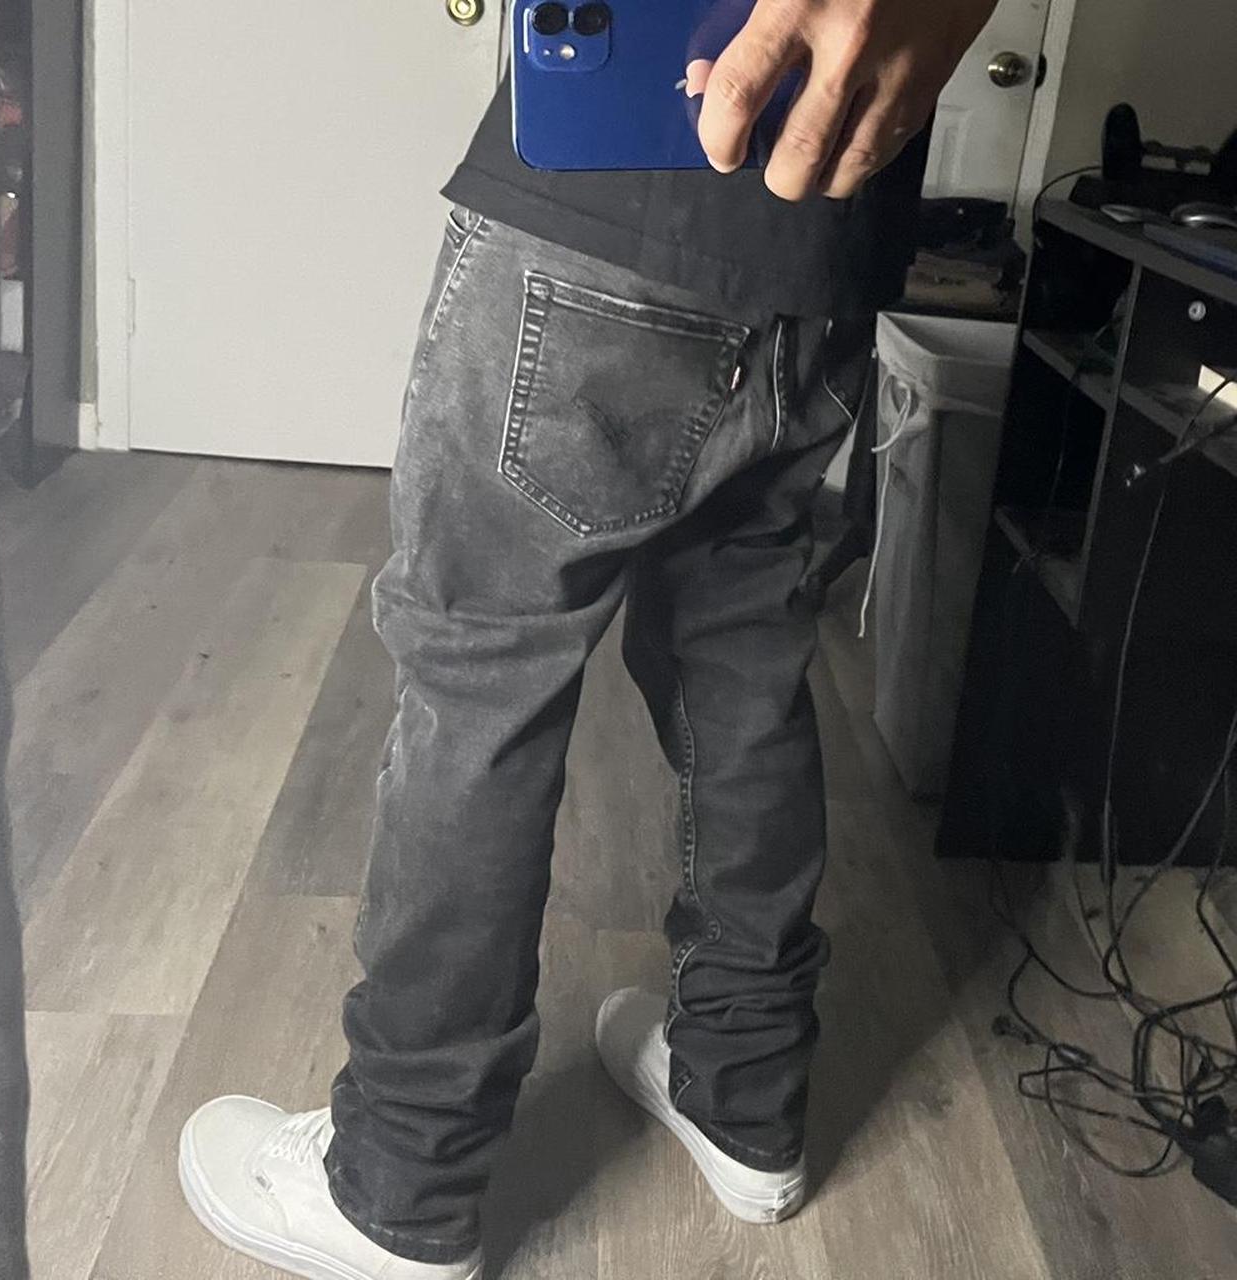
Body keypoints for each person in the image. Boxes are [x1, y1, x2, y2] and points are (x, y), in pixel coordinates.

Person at [175, 1, 995, 1276]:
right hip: (827, 236)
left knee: (480, 670)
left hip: (601, 204)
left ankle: (400, 1178)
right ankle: (741, 1087)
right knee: (742, 654)